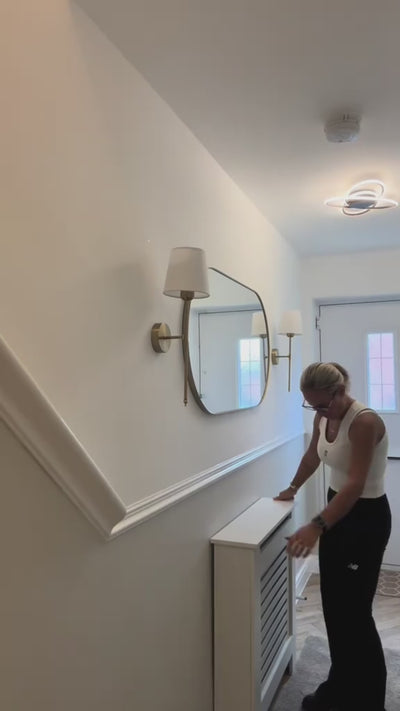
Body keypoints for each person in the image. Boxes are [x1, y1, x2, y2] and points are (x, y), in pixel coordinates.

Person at [275, 361, 391, 711]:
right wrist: (293, 487)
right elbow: (313, 456)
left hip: (365, 519)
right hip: (337, 512)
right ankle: (340, 689)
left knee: (356, 615)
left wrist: (315, 526)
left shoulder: (364, 421)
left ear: (340, 391)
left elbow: (355, 485)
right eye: (311, 405)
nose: (318, 411)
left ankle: (369, 701)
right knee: (335, 611)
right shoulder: (323, 416)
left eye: (323, 404)